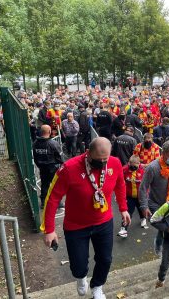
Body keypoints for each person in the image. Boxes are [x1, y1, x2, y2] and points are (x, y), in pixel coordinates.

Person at [41, 137, 131, 299]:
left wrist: (124, 208)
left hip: (104, 221)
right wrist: (49, 229)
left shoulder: (115, 163)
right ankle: (81, 277)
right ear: (88, 153)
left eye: (106, 160)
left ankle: (97, 286)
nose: (103, 164)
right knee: (78, 264)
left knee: (105, 259)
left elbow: (120, 184)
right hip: (76, 226)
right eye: (99, 160)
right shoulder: (69, 168)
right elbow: (52, 198)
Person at [139, 140, 169, 256]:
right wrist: (144, 206)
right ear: (163, 153)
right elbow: (143, 188)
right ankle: (161, 250)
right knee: (165, 227)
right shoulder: (152, 168)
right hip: (157, 204)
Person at [32, 125, 64, 209]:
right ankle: (57, 202)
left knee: (44, 185)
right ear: (49, 132)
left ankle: (43, 202)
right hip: (53, 168)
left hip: (42, 168)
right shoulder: (53, 143)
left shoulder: (35, 143)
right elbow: (60, 157)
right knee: (56, 186)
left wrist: (39, 165)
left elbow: (35, 157)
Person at [118, 155, 146, 238]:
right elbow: (119, 181)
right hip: (129, 196)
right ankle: (123, 229)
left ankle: (143, 218)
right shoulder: (124, 169)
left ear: (139, 164)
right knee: (128, 212)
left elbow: (147, 185)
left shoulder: (144, 171)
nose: (132, 167)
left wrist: (146, 196)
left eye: (135, 166)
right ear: (128, 163)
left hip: (140, 196)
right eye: (131, 165)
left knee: (141, 209)